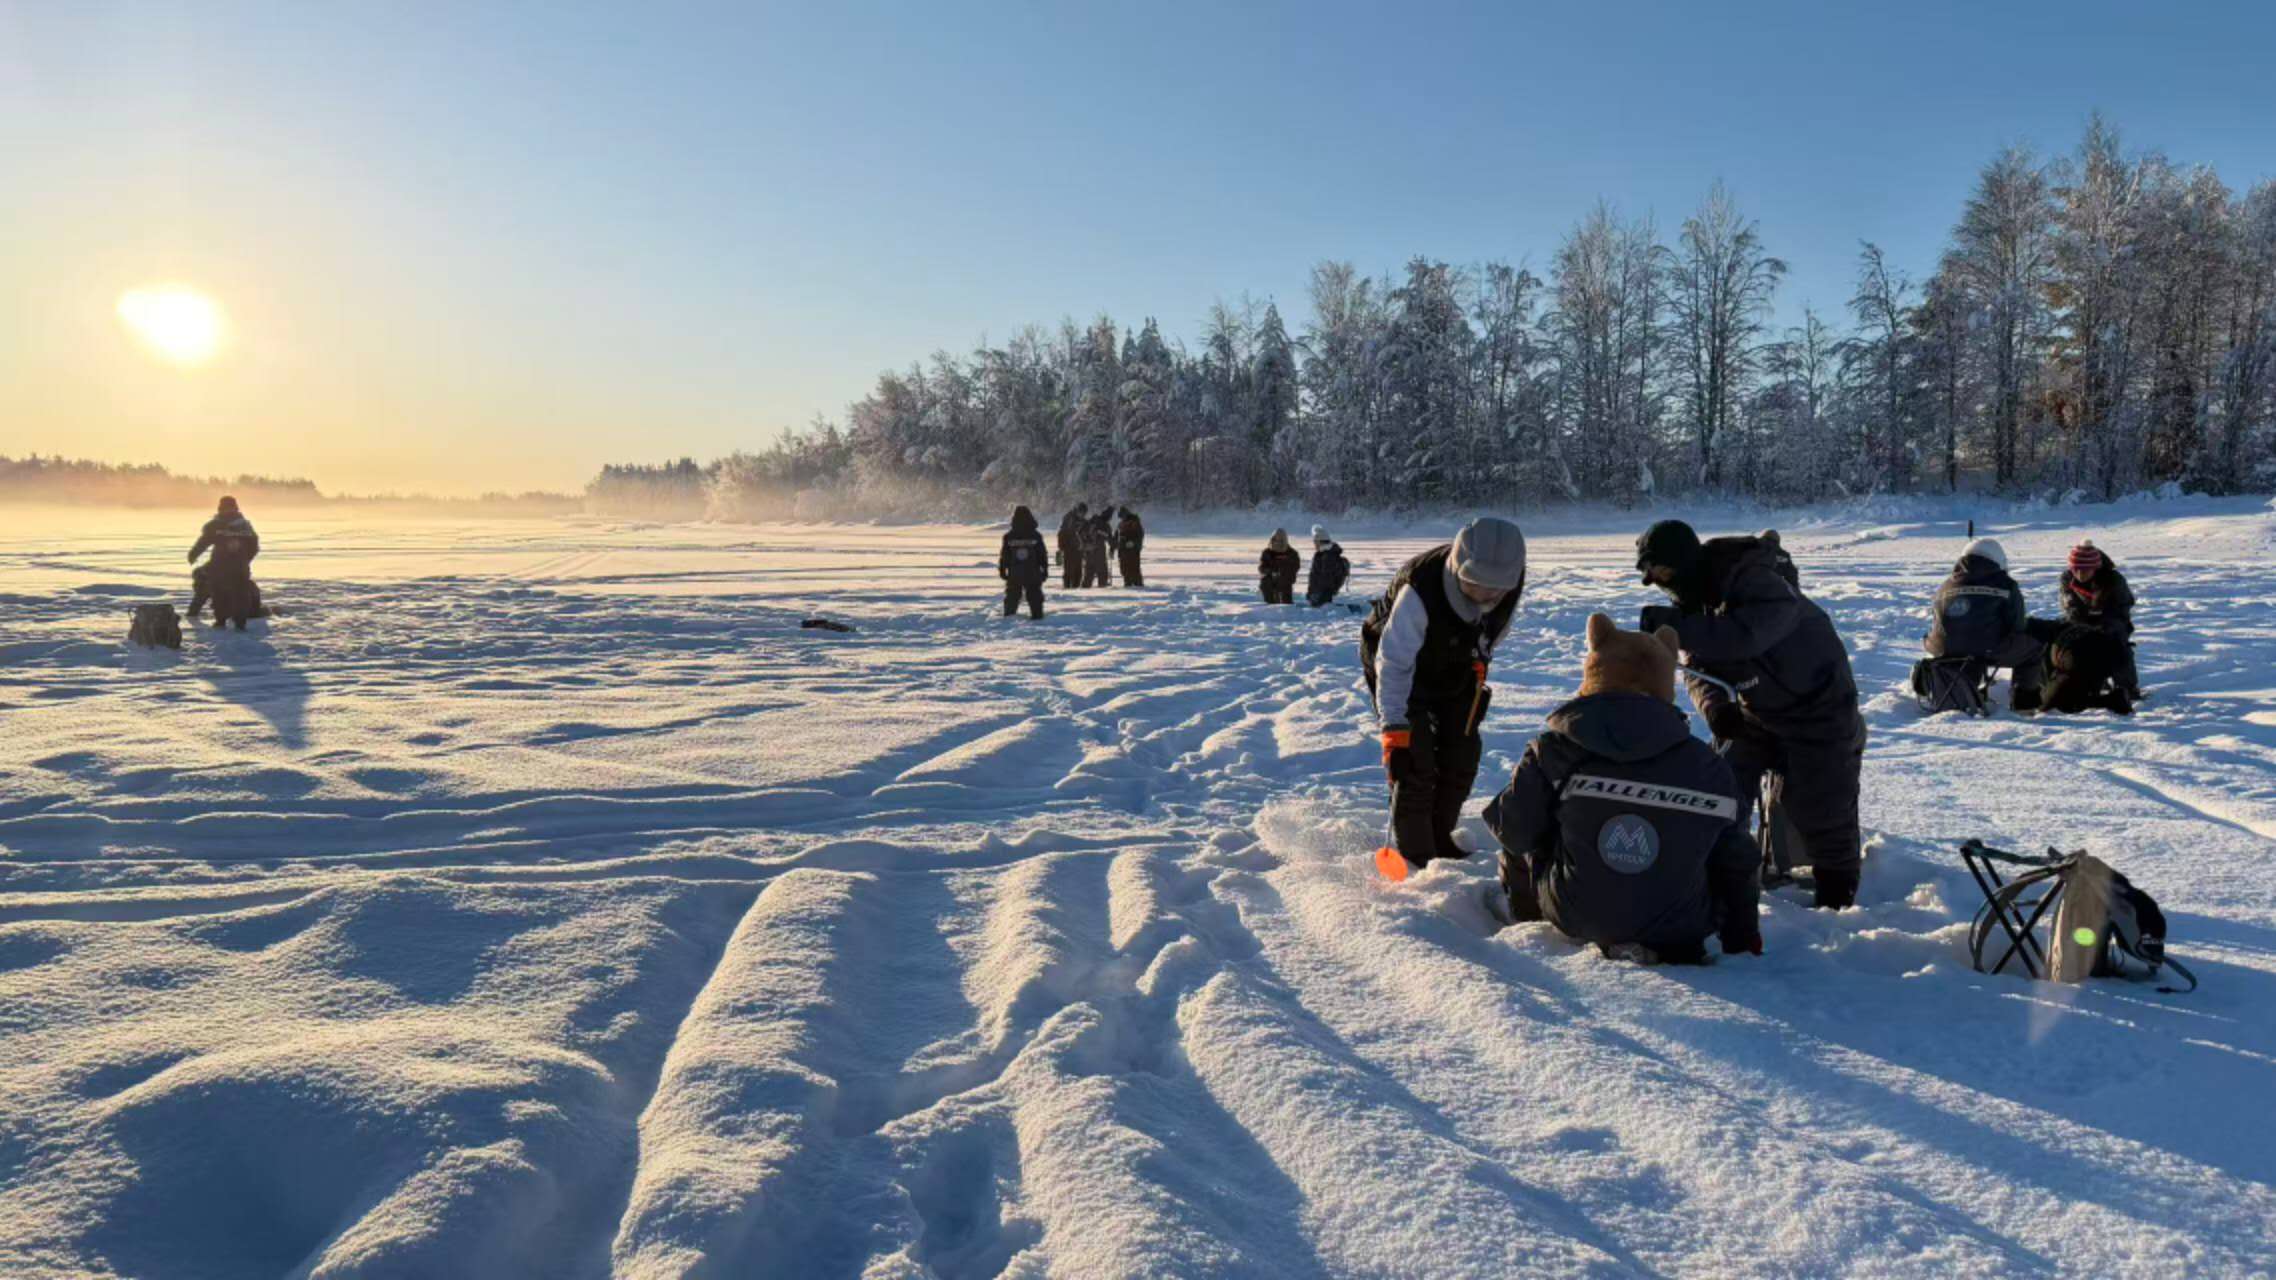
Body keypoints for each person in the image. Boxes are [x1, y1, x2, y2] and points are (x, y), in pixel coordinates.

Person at [1485, 614, 1761, 963]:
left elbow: (1514, 831)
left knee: (1525, 811)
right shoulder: (1708, 766)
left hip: (1575, 914)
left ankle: (1526, 915)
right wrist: (1743, 936)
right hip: (1682, 924)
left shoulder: (1554, 750)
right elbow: (1738, 859)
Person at [1635, 519, 1864, 909]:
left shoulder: (1753, 577)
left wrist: (1678, 628)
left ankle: (1837, 901)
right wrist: (1716, 706)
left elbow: (1748, 635)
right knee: (1719, 787)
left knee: (1820, 803)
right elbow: (1697, 667)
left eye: (1662, 571)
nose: (1659, 582)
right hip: (1757, 712)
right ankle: (1722, 879)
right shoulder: (1694, 601)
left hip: (1820, 708)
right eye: (1652, 577)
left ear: (1684, 561)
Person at [1362, 516, 1527, 873]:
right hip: (1399, 666)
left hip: (1456, 660)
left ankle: (1439, 836)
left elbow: (1492, 634)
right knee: (1414, 761)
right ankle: (1417, 857)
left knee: (1462, 754)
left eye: (1494, 590)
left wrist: (1477, 660)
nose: (1485, 597)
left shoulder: (1509, 583)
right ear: (1457, 566)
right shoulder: (1420, 590)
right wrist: (1394, 731)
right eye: (1474, 585)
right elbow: (1394, 662)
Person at [1921, 537, 2044, 712]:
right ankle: (2024, 704)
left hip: (1942, 648)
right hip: (1986, 648)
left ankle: (1961, 689)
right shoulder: (2006, 585)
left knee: (1967, 647)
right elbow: (2018, 626)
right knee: (2033, 650)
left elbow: (1937, 620)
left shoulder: (1945, 586)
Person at [2060, 540, 2139, 699]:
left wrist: (2104, 622)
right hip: (2082, 619)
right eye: (2076, 570)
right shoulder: (2067, 578)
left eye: (2086, 570)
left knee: (2117, 646)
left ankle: (2127, 687)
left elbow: (2123, 605)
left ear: (2095, 568)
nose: (2080, 575)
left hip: (2112, 620)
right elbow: (2069, 605)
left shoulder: (2113, 579)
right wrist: (2078, 625)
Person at [188, 496, 262, 630]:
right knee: (225, 593)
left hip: (227, 565)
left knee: (231, 593)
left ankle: (232, 621)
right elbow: (204, 541)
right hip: (229, 565)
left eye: (230, 508)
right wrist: (194, 554)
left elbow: (254, 546)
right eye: (227, 508)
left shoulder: (221, 525)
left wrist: (193, 554)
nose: (228, 511)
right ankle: (227, 621)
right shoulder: (242, 525)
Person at [998, 505, 1048, 619]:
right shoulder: (1036, 536)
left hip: (1015, 572)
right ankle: (1037, 617)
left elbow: (1005, 555)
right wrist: (1044, 569)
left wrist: (1002, 569)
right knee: (1035, 595)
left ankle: (1008, 617)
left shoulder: (1009, 536)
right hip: (1033, 571)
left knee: (1012, 595)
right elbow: (1042, 554)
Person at [1306, 525, 1350, 607]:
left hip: (1325, 596)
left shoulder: (1329, 556)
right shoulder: (1319, 555)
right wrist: (1310, 593)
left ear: (1320, 541)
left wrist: (1319, 596)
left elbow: (1326, 580)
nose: (1314, 544)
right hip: (1318, 595)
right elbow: (1313, 576)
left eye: (1315, 542)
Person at [1258, 530, 1301, 604]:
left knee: (1286, 603)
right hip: (1270, 581)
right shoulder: (1267, 553)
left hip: (1286, 581)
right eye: (1275, 540)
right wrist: (1271, 571)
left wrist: (1282, 571)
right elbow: (1262, 567)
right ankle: (1270, 605)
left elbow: (1295, 567)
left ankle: (1287, 607)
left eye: (1280, 540)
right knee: (1265, 582)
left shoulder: (1292, 553)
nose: (1278, 542)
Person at [1057, 503, 1089, 589]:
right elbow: (1062, 533)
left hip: (1079, 549)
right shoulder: (1069, 519)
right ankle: (1067, 587)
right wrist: (1061, 547)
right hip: (1069, 549)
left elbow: (1087, 534)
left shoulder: (1084, 522)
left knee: (1078, 570)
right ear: (1077, 511)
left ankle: (1076, 587)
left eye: (1084, 513)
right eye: (1081, 512)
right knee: (1069, 569)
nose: (1082, 515)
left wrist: (1086, 545)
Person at [1082, 509, 1114, 588]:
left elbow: (1081, 533)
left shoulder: (1090, 521)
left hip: (1088, 551)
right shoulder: (1105, 525)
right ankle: (1102, 589)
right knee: (1102, 572)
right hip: (1099, 552)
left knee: (1089, 572)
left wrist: (1084, 547)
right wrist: (1112, 548)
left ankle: (1085, 588)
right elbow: (1110, 539)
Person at [1115, 507, 1145, 587]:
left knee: (1134, 568)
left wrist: (1134, 543)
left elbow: (1140, 535)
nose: (1122, 518)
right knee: (1124, 568)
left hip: (1132, 550)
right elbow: (1117, 536)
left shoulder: (1134, 522)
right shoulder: (1120, 524)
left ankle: (1138, 585)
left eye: (1123, 516)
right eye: (1121, 516)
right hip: (1123, 549)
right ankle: (1127, 584)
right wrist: (1113, 548)